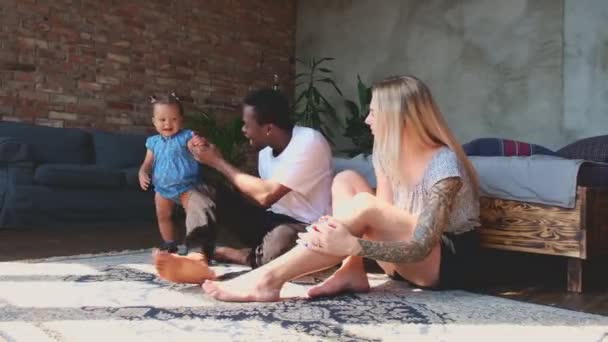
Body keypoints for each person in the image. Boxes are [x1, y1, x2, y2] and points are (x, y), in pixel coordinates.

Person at [201, 75, 481, 302]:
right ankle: (352, 270)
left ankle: (268, 280)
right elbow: (385, 213)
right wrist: (351, 237)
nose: (367, 120)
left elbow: (421, 246)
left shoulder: (443, 164)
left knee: (364, 205)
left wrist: (353, 243)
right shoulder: (386, 153)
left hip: (442, 265)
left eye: (373, 112)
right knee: (345, 179)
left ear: (398, 118)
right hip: (402, 260)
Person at [153, 88, 334, 284]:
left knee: (281, 242)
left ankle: (239, 255)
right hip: (270, 220)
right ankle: (197, 258)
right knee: (202, 190)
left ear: (268, 129)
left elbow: (267, 195)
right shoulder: (266, 153)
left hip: (305, 226)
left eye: (247, 125)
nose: (243, 130)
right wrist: (223, 195)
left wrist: (218, 162)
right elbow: (257, 200)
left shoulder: (308, 141)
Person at [139, 93, 217, 277]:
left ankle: (196, 247)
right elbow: (147, 163)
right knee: (163, 216)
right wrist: (142, 172)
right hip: (163, 189)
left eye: (173, 119)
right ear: (154, 121)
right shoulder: (153, 142)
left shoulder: (186, 136)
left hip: (187, 187)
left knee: (195, 213)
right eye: (162, 119)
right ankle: (170, 244)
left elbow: (197, 145)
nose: (168, 123)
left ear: (181, 120)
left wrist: (200, 143)